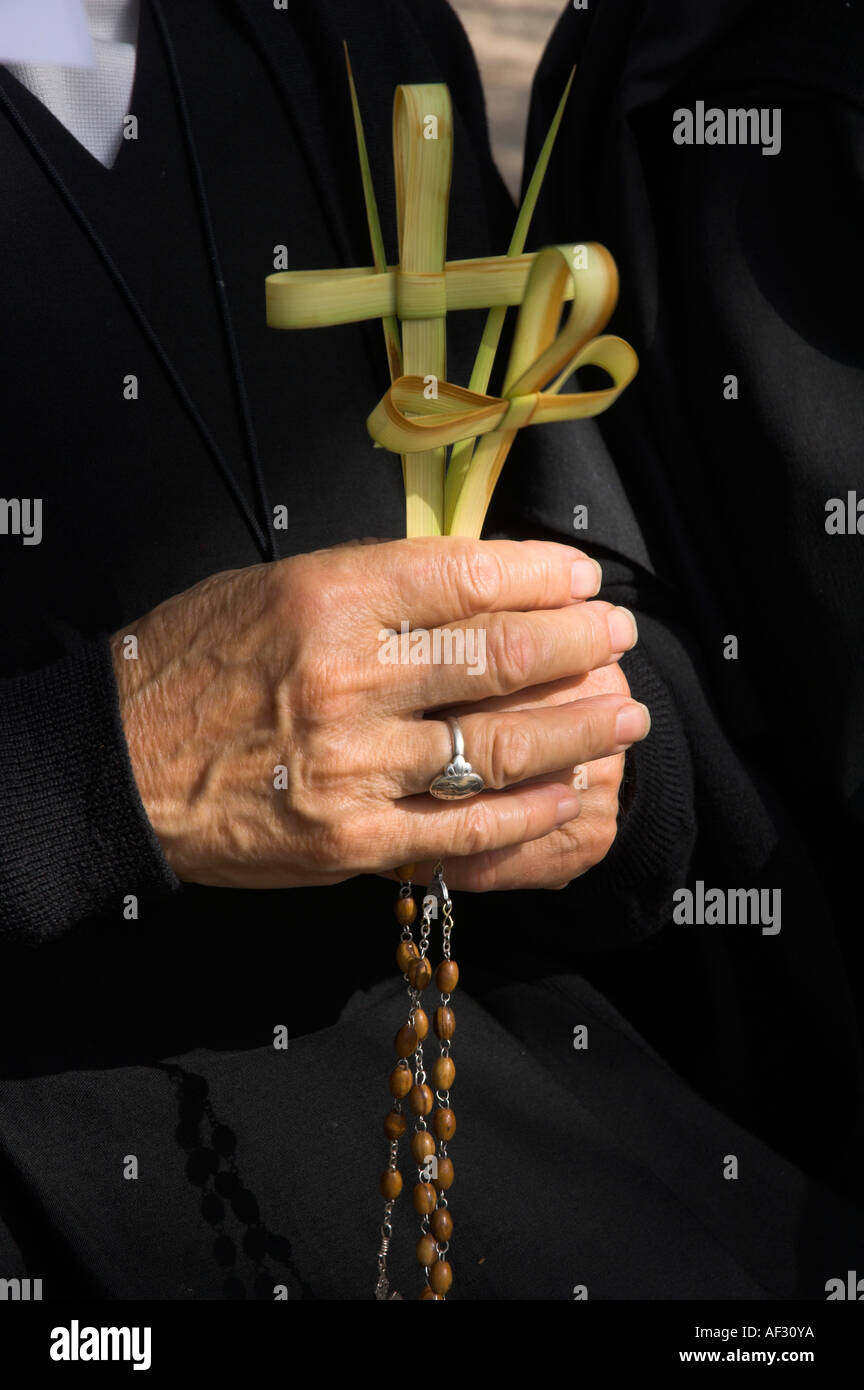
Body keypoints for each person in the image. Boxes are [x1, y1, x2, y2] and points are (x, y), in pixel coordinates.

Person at [0, 0, 859, 1301]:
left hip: (518, 1117)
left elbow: (627, 638)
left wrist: (574, 737)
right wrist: (110, 766)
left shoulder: (358, 40)